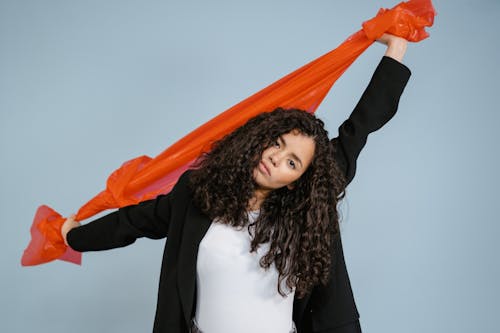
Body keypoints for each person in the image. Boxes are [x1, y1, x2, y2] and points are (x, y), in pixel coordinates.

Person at [61, 33, 411, 333]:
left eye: (292, 162)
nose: (277, 158)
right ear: (260, 139)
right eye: (277, 143)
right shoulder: (197, 194)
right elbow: (133, 222)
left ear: (296, 181)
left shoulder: (306, 208)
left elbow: (361, 125)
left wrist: (396, 48)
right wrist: (73, 236)